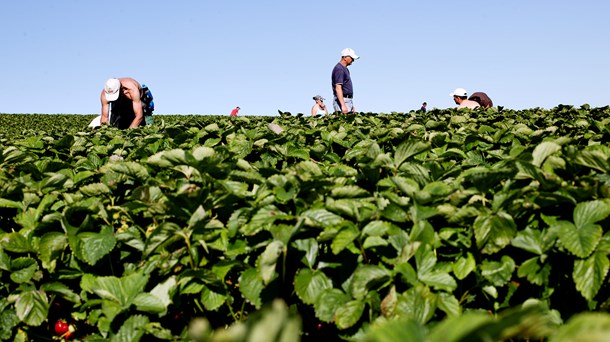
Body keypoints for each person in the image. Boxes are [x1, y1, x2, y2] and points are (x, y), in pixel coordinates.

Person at [331, 48, 359, 114]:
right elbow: (338, 88)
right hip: (343, 100)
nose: (353, 60)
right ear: (345, 57)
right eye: (352, 58)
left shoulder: (345, 69)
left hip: (347, 100)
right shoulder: (339, 69)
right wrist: (343, 105)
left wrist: (351, 105)